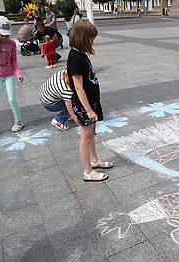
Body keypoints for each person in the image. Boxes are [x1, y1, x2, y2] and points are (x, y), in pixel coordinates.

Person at [67, 20, 113, 182]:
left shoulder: (81, 54)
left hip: (91, 102)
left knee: (91, 133)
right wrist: (88, 110)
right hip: (84, 105)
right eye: (91, 38)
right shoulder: (75, 58)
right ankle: (87, 171)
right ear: (83, 38)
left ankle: (94, 161)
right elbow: (78, 88)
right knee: (85, 138)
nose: (93, 42)